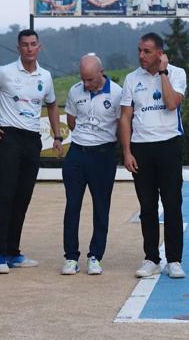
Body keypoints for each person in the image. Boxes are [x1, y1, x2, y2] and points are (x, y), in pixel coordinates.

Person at [0, 29, 63, 274]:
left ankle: (13, 252)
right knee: (5, 196)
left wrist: (56, 136)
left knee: (23, 197)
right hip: (8, 137)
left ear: (39, 47)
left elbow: (52, 105)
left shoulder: (46, 75)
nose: (29, 49)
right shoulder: (5, 72)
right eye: (25, 45)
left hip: (32, 140)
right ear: (18, 47)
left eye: (33, 44)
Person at [119, 33, 187, 279]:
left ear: (159, 53)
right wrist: (127, 152)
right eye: (139, 50)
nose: (141, 56)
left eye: (147, 51)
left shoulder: (176, 74)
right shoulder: (131, 79)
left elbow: (171, 103)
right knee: (147, 207)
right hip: (141, 148)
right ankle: (151, 258)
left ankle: (175, 259)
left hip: (169, 145)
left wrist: (164, 73)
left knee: (172, 204)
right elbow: (126, 116)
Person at [60, 54, 122, 276]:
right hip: (77, 153)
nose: (86, 84)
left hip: (104, 155)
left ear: (101, 72)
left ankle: (95, 255)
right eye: (83, 79)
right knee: (72, 206)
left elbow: (121, 123)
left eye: (90, 80)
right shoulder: (75, 90)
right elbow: (71, 120)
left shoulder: (117, 93)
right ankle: (70, 257)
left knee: (101, 207)